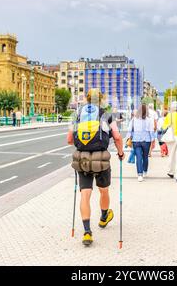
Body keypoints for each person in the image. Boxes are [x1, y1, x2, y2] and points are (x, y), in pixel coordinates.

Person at [67, 89, 125, 247]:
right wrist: (120, 153)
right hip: (101, 159)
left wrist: (83, 144)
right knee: (103, 190)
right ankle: (104, 217)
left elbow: (69, 139)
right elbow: (118, 137)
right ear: (101, 100)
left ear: (86, 99)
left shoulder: (77, 114)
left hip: (82, 159)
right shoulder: (106, 115)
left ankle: (87, 232)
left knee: (85, 195)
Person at [127, 104, 156, 182]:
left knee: (139, 157)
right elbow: (151, 131)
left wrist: (128, 138)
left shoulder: (133, 119)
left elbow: (129, 130)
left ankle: (140, 175)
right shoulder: (149, 119)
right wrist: (153, 140)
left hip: (136, 141)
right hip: (146, 141)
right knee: (145, 156)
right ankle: (145, 171)